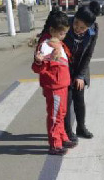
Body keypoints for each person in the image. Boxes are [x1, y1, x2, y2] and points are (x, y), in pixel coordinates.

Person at [32, 9, 77, 155]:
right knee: (55, 115)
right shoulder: (45, 45)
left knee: (62, 113)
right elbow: (37, 67)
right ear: (52, 30)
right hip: (54, 86)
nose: (64, 36)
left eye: (65, 33)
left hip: (62, 84)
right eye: (61, 33)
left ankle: (62, 137)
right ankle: (55, 143)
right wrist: (39, 62)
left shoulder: (57, 43)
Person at [63, 1, 100, 142]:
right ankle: (67, 131)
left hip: (80, 68)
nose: (78, 28)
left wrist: (80, 75)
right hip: (64, 67)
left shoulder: (93, 31)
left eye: (82, 28)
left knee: (79, 99)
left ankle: (81, 127)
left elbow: (88, 54)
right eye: (76, 24)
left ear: (89, 27)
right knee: (66, 101)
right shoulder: (65, 23)